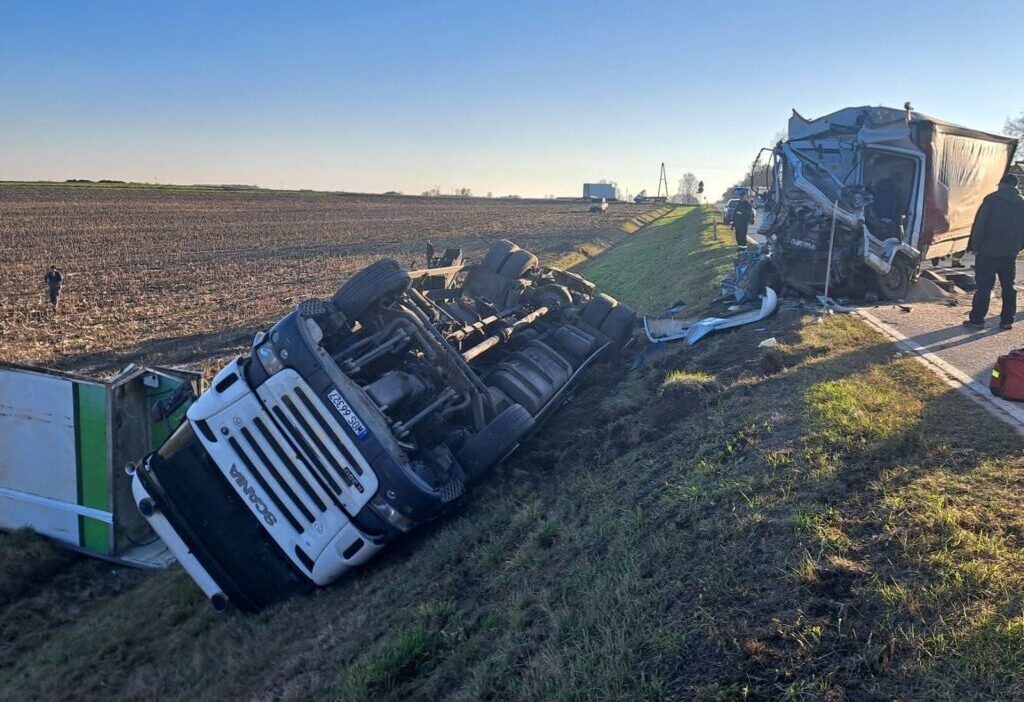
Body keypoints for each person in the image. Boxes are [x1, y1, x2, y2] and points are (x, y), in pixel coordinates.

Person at [964, 174, 1024, 330]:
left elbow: (980, 225)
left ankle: (977, 319)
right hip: (1010, 253)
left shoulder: (991, 200)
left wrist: (976, 247)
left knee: (984, 287)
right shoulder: (1021, 203)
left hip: (988, 252)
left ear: (1002, 184)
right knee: (1008, 287)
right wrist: (1018, 246)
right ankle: (1007, 320)